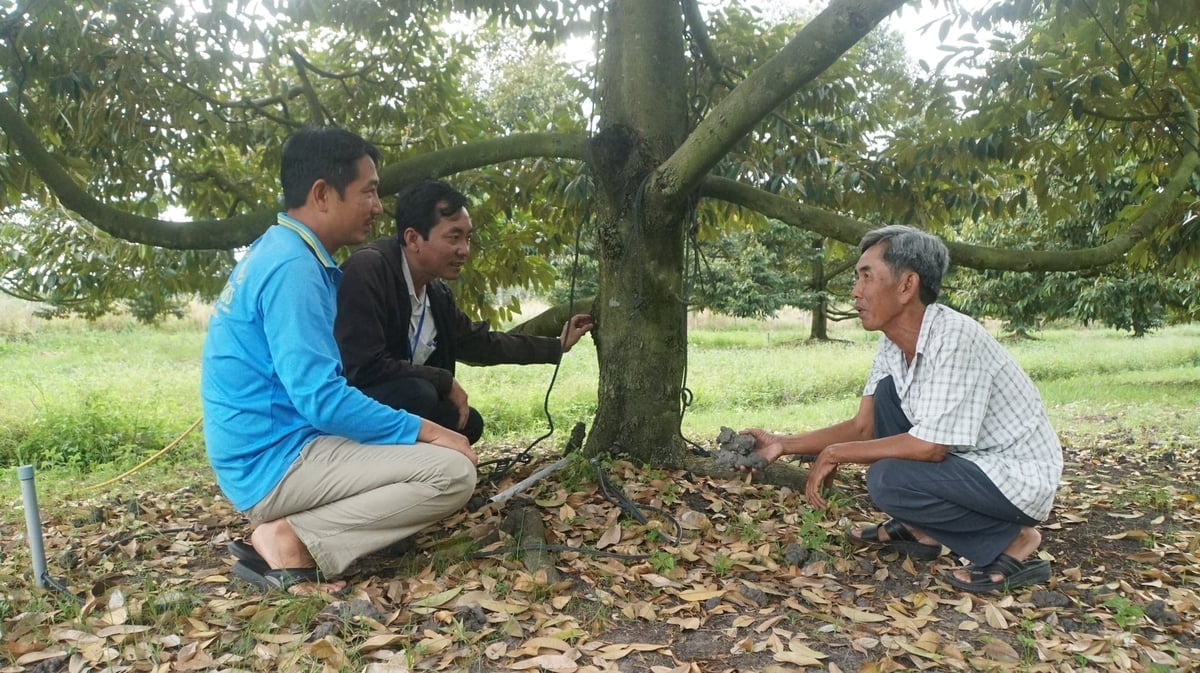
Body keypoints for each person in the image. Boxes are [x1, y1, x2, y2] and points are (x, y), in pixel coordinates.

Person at [201, 128, 478, 595]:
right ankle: (290, 541)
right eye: (368, 192)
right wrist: (431, 431)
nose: (377, 207)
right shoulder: (294, 270)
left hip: (275, 447)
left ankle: (295, 526)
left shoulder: (280, 250)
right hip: (272, 462)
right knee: (451, 473)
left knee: (431, 447)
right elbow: (323, 400)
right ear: (323, 194)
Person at [740, 225, 1063, 594]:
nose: (855, 290)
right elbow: (864, 428)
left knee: (888, 479)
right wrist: (782, 444)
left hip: (1016, 476)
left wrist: (834, 454)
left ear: (907, 285)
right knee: (887, 397)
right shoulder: (892, 343)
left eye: (867, 276)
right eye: (857, 277)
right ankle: (920, 529)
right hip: (969, 464)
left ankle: (1015, 540)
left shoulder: (955, 337)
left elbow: (930, 447)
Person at [334, 179, 594, 444]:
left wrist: (556, 346)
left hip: (404, 402)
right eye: (454, 237)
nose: (464, 250)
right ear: (413, 238)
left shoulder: (437, 293)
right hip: (349, 407)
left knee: (467, 423)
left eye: (468, 238)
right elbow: (364, 366)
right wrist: (444, 380)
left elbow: (480, 344)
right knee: (420, 394)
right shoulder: (368, 271)